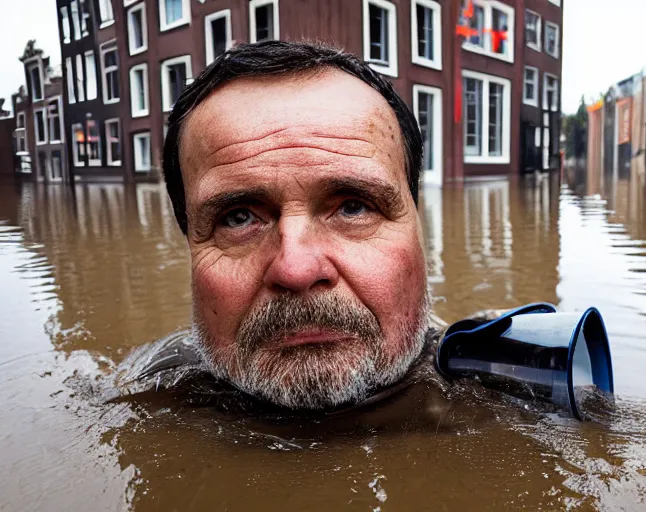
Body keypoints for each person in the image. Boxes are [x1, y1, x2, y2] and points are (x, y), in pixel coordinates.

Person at [121, 40, 452, 412]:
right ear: (190, 244)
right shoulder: (140, 399)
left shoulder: (514, 381)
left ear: (416, 224)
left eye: (354, 208)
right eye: (239, 217)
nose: (296, 269)